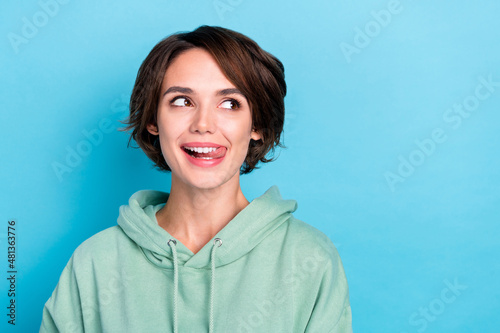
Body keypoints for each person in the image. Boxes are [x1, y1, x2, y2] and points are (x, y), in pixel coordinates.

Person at [40, 25, 352, 332]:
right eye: (182, 101)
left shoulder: (311, 259)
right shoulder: (94, 263)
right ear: (153, 120)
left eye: (230, 103)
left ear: (256, 125)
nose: (204, 124)